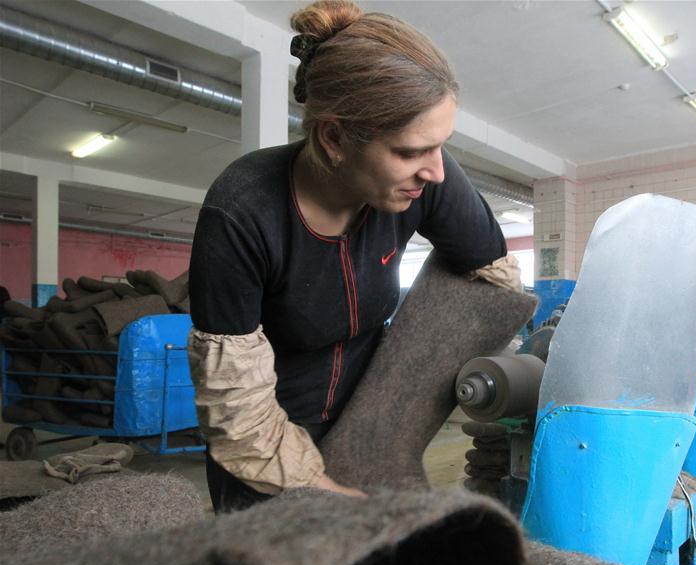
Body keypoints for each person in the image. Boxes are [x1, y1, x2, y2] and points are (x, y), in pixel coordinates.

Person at [188, 0, 518, 513]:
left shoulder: (427, 179)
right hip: (268, 443)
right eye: (410, 152)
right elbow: (238, 408)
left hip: (375, 429)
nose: (435, 171)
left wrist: (409, 414)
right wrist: (324, 492)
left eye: (441, 146)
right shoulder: (242, 212)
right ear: (334, 137)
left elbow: (493, 284)